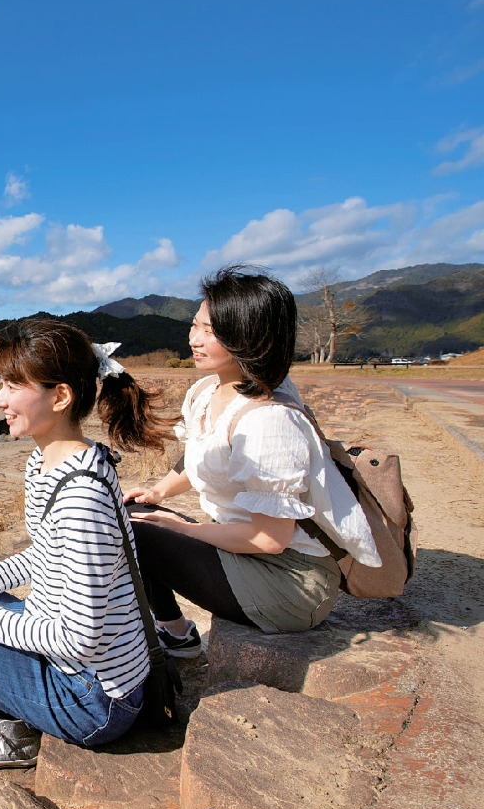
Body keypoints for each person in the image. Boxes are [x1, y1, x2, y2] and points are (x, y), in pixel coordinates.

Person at [0, 318, 172, 769]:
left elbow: (81, 640)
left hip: (93, 699)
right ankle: (12, 705)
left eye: (13, 386)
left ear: (61, 396)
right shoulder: (56, 463)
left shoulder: (81, 496)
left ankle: (11, 729)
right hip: (76, 665)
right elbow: (50, 553)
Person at [123, 265, 380, 656]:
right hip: (248, 552)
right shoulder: (207, 391)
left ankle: (170, 635)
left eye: (212, 331)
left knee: (135, 534)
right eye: (195, 325)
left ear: (251, 338)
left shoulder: (269, 420)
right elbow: (199, 455)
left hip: (290, 583)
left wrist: (182, 528)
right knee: (134, 513)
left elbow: (269, 538)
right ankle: (177, 632)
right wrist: (158, 492)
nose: (195, 339)